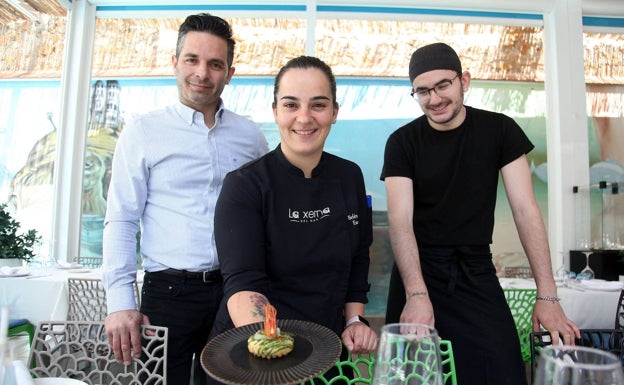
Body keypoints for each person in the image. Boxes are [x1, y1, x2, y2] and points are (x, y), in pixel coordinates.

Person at [380, 42, 580, 385]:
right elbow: (400, 221)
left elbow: (524, 210)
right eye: (423, 91)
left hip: (474, 270)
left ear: (464, 81)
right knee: (413, 376)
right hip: (418, 272)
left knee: (503, 370)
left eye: (443, 85)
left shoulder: (500, 130)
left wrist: (546, 296)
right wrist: (416, 294)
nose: (435, 98)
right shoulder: (402, 142)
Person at [101, 13, 268, 385]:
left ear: (230, 72)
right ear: (175, 63)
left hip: (233, 293)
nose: (202, 73)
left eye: (215, 64)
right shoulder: (143, 131)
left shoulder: (251, 137)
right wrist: (121, 303)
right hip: (167, 294)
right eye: (192, 60)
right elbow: (122, 219)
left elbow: (264, 214)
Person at [209, 56, 377, 383]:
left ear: (334, 112)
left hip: (328, 352)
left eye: (318, 105)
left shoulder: (349, 176)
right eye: (290, 104)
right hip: (256, 353)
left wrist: (354, 321)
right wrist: (272, 350)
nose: (304, 117)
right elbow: (243, 285)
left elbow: (358, 258)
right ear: (275, 112)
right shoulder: (245, 185)